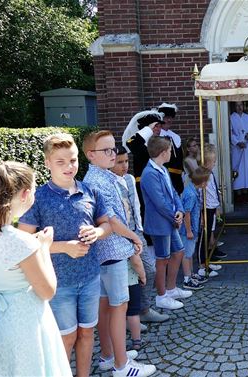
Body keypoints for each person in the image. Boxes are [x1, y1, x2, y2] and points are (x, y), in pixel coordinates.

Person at [18, 134, 111, 377]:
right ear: (47, 163)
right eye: (61, 162)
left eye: (72, 160)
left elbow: (107, 225)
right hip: (58, 282)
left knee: (87, 333)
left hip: (90, 276)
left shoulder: (89, 191)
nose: (69, 167)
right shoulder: (37, 198)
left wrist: (97, 232)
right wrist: (63, 247)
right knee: (66, 336)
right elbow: (23, 242)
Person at [82, 130, 156, 376]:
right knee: (118, 306)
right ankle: (121, 365)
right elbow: (112, 220)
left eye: (114, 148)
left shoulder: (102, 176)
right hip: (111, 249)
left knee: (106, 307)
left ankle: (108, 355)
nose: (113, 154)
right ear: (91, 155)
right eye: (107, 150)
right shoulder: (99, 181)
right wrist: (134, 237)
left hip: (107, 250)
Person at [0, 161, 72, 376]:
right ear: (25, 195)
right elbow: (47, 291)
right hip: (25, 325)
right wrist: (43, 248)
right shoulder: (21, 242)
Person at [110, 148, 169, 326]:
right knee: (129, 277)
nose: (124, 166)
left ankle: (143, 309)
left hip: (136, 231)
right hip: (120, 235)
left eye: (126, 161)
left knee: (149, 270)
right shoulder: (109, 182)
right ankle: (130, 316)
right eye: (119, 162)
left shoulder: (129, 179)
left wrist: (139, 230)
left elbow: (136, 205)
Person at [140, 136, 192, 311]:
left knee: (178, 252)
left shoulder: (162, 169)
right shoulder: (149, 174)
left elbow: (173, 193)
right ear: (163, 152)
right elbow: (159, 202)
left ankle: (170, 289)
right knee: (162, 259)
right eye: (170, 150)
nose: (172, 153)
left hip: (169, 221)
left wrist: (179, 210)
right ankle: (161, 296)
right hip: (159, 224)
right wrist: (174, 215)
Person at [180, 166, 212, 289]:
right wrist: (188, 230)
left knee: (190, 253)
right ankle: (187, 278)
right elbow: (186, 213)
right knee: (187, 254)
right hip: (189, 229)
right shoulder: (191, 194)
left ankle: (191, 274)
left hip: (193, 227)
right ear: (203, 182)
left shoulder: (193, 190)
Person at [197, 143, 226, 277]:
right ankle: (202, 265)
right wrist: (202, 214)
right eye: (212, 162)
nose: (214, 164)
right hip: (205, 209)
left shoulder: (210, 174)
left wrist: (217, 206)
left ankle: (207, 260)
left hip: (212, 208)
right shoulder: (201, 175)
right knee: (203, 239)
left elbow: (213, 192)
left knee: (209, 237)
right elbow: (199, 196)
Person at [158, 103, 185, 194]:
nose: (169, 120)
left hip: (177, 179)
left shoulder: (176, 137)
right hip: (164, 177)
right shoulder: (156, 136)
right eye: (166, 117)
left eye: (171, 117)